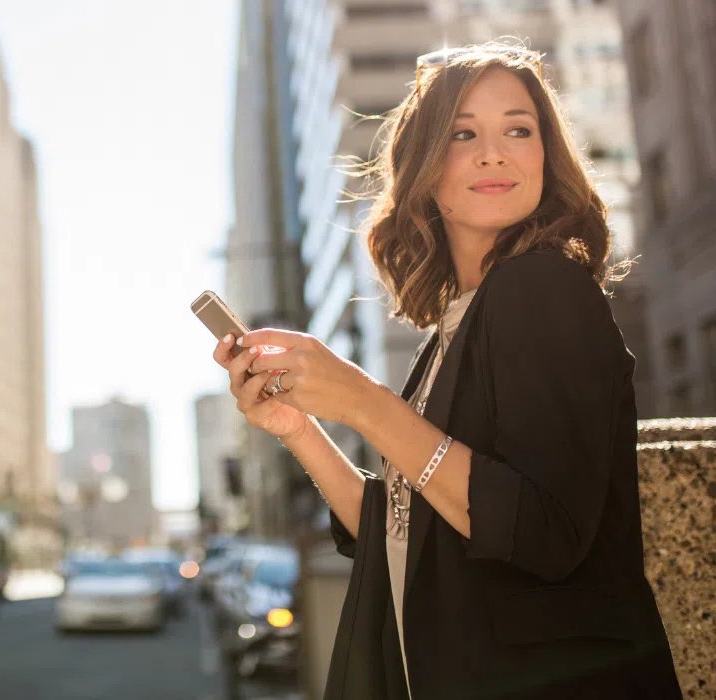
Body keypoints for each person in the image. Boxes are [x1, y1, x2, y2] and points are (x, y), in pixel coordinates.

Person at [210, 43, 682, 699]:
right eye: (464, 133)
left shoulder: (542, 287)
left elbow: (545, 532)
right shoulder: (453, 331)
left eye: (519, 129)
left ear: (546, 155)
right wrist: (300, 428)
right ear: (426, 167)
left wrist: (368, 404)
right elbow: (401, 528)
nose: (495, 152)